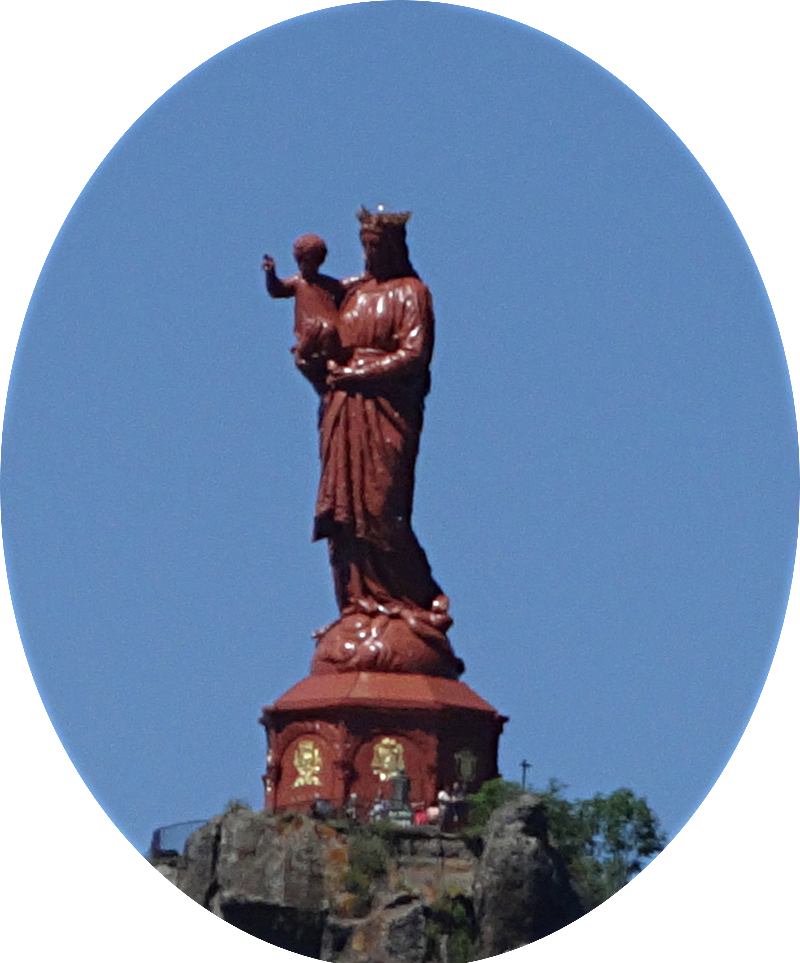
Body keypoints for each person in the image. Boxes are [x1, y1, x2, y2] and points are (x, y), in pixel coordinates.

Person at [299, 208, 464, 678]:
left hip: (385, 411)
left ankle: (418, 598)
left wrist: (360, 373)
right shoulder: (352, 293)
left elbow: (413, 355)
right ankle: (357, 604)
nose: (370, 254)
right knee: (342, 513)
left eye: (377, 246)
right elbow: (326, 346)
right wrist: (314, 362)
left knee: (380, 508)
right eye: (365, 246)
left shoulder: (411, 293)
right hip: (342, 412)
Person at [262, 234, 350, 385]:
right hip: (309, 325)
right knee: (315, 331)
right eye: (303, 261)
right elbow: (277, 289)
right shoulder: (298, 282)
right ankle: (304, 353)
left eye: (311, 261)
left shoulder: (328, 284)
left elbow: (343, 292)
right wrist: (271, 274)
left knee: (329, 330)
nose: (307, 265)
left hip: (329, 324)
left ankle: (331, 360)